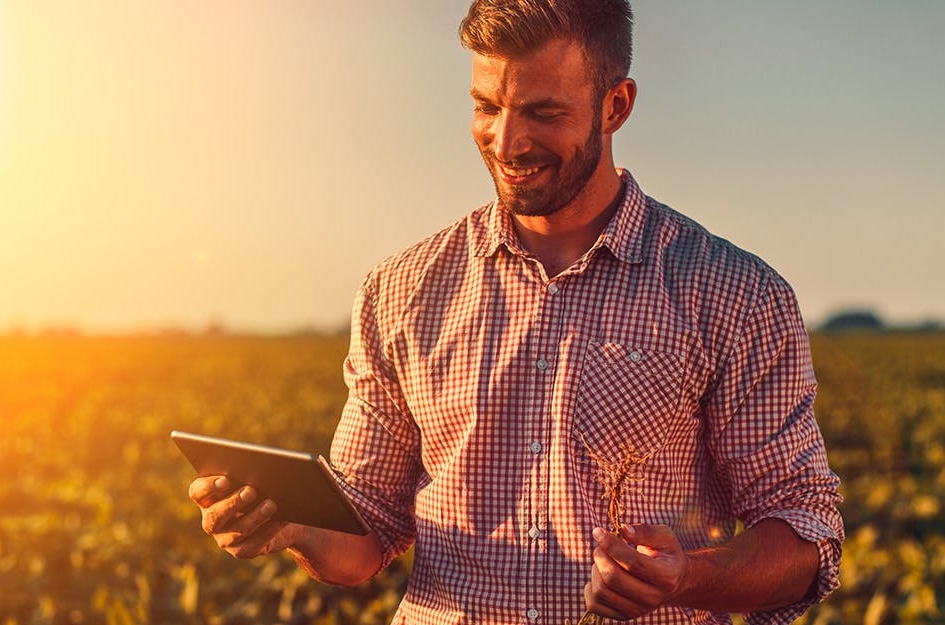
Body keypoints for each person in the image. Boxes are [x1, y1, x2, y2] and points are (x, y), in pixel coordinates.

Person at [189, 1, 844, 623]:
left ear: (615, 105)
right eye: (486, 107)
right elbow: (365, 537)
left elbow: (801, 536)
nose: (505, 141)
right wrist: (296, 524)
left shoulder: (735, 295)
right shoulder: (398, 289)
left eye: (542, 112)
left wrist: (688, 574)